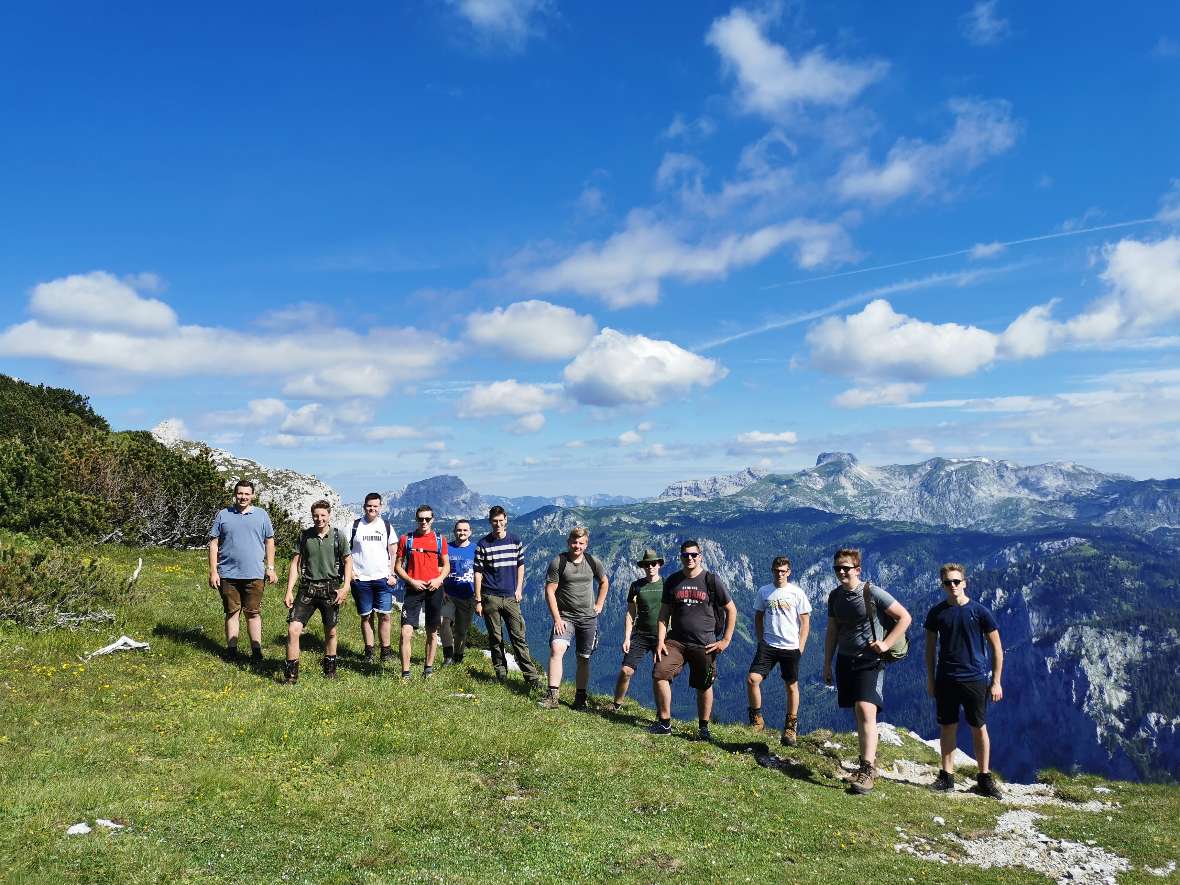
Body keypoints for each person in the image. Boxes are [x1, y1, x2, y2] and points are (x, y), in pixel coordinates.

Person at [823, 548, 912, 795]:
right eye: (837, 568)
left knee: (865, 709)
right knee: (858, 712)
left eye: (846, 568)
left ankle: (868, 769)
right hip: (845, 660)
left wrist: (885, 643)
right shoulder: (834, 597)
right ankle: (865, 763)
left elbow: (905, 617)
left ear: (857, 570)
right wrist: (826, 663)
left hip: (870, 660)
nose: (841, 572)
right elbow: (832, 631)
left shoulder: (872, 592)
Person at [924, 563, 1004, 799]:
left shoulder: (980, 612)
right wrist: (930, 679)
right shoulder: (936, 613)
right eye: (948, 583)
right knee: (947, 726)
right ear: (943, 585)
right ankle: (946, 777)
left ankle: (984, 778)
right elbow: (929, 650)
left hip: (974, 679)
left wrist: (996, 681)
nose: (952, 586)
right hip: (946, 679)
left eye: (956, 582)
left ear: (964, 583)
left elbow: (997, 649)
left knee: (978, 727)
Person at [651, 539, 737, 741]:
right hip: (676, 642)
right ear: (680, 557)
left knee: (704, 685)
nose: (689, 558)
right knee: (659, 673)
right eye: (685, 555)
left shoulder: (711, 580)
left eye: (693, 555)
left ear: (700, 557)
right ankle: (665, 723)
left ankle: (703, 729)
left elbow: (731, 610)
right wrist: (660, 641)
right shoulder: (672, 580)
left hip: (705, 643)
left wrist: (725, 640)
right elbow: (664, 614)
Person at [207, 479, 277, 666]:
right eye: (240, 493)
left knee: (253, 612)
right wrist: (213, 571)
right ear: (235, 494)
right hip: (228, 573)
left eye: (247, 494)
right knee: (232, 612)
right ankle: (231, 651)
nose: (243, 497)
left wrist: (270, 568)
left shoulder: (262, 515)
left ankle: (256, 651)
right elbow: (213, 543)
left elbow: (269, 541)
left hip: (254, 573)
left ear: (253, 495)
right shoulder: (223, 515)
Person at [540, 527, 609, 710]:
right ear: (568, 542)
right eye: (574, 542)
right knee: (556, 648)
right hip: (565, 617)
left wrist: (599, 604)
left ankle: (580, 698)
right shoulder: (559, 562)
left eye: (581, 543)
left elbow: (604, 582)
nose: (576, 546)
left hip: (588, 618)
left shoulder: (593, 562)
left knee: (584, 658)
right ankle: (552, 696)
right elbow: (550, 591)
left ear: (586, 544)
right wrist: (557, 618)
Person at [473, 506, 542, 689]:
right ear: (490, 522)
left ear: (506, 520)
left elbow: (520, 565)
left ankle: (532, 677)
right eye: (494, 521)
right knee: (495, 638)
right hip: (490, 597)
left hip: (511, 597)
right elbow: (478, 573)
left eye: (500, 520)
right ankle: (501, 674)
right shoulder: (483, 544)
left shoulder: (515, 540)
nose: (498, 524)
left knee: (518, 637)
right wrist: (478, 599)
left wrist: (519, 588)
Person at [283, 500, 352, 684]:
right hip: (307, 589)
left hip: (331, 589)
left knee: (331, 632)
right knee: (293, 629)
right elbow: (295, 564)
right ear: (312, 515)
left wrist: (345, 587)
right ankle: (291, 675)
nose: (319, 519)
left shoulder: (339, 536)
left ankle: (330, 672)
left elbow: (348, 562)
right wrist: (289, 590)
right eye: (316, 515)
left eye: (323, 515)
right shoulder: (305, 536)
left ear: (329, 515)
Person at [746, 555, 811, 746]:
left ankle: (790, 728)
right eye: (777, 570)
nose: (780, 574)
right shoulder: (764, 591)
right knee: (752, 679)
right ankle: (756, 719)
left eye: (783, 571)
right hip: (768, 645)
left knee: (791, 686)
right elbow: (758, 616)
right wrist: (760, 639)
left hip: (790, 647)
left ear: (789, 572)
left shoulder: (797, 593)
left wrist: (801, 647)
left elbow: (805, 621)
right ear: (772, 571)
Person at [394, 504, 450, 680]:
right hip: (413, 589)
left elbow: (446, 565)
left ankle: (428, 669)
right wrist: (411, 581)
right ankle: (405, 673)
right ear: (416, 519)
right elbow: (397, 567)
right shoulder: (406, 539)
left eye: (427, 519)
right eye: (420, 519)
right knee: (405, 632)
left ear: (432, 520)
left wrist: (439, 579)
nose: (424, 522)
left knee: (432, 632)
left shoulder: (440, 539)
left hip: (434, 589)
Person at [610, 548, 665, 713]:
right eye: (647, 565)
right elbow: (630, 613)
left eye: (653, 564)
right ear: (643, 567)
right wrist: (627, 638)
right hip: (640, 635)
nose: (650, 567)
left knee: (660, 676)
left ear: (659, 565)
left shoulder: (667, 585)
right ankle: (617, 704)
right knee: (626, 670)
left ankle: (661, 714)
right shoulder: (636, 586)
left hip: (661, 636)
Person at [349, 493, 397, 665]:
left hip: (382, 579)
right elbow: (344, 553)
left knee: (385, 616)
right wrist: (351, 575)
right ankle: (369, 651)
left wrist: (392, 574)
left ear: (380, 507)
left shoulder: (386, 526)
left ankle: (386, 651)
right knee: (366, 616)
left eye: (376, 506)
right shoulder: (354, 525)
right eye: (370, 506)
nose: (372, 509)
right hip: (361, 579)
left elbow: (394, 552)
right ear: (364, 506)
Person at [440, 518, 476, 665]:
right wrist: (442, 589)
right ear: (454, 531)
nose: (462, 532)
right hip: (448, 594)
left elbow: (481, 573)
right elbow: (438, 570)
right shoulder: (446, 548)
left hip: (468, 596)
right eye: (459, 530)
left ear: (470, 532)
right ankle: (448, 656)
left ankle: (458, 657)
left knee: (461, 630)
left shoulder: (476, 549)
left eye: (465, 530)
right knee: (444, 622)